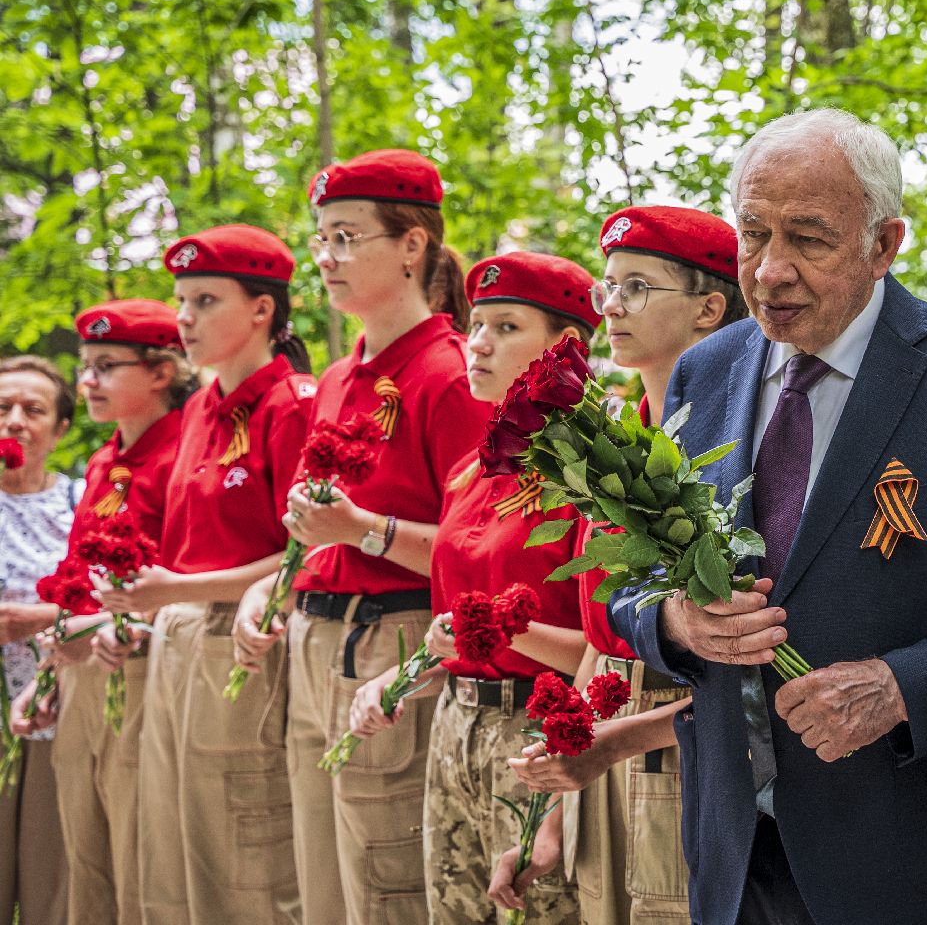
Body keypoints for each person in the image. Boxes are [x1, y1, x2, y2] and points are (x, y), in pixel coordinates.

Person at [608, 108, 927, 925]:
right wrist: (674, 620)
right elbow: (634, 577)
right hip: (734, 855)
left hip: (910, 861)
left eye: (808, 239)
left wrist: (901, 688)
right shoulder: (701, 375)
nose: (770, 270)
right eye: (752, 235)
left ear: (884, 244)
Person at [231, 149, 489, 924]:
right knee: (320, 879)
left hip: (391, 640)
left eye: (346, 236)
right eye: (320, 238)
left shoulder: (450, 374)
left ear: (412, 245)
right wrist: (263, 591)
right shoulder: (343, 376)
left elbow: (480, 545)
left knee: (388, 882)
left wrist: (365, 532)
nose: (326, 258)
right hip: (313, 642)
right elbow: (316, 529)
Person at [492, 205, 749, 924]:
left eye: (637, 285)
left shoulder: (739, 445)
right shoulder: (616, 439)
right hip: (605, 729)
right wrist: (547, 814)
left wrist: (617, 741)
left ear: (709, 306)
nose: (611, 305)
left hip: (684, 742)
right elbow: (603, 637)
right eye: (608, 285)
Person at [344, 251, 598, 924]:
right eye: (476, 323)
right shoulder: (473, 469)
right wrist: (408, 674)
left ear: (564, 347)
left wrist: (509, 632)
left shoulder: (596, 474)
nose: (476, 343)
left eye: (506, 327)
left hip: (539, 738)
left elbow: (607, 660)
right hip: (455, 727)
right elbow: (458, 625)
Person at [92, 226, 315, 924]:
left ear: (262, 310)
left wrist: (171, 592)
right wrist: (139, 610)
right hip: (177, 642)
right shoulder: (198, 411)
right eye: (181, 300)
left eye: (206, 299)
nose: (184, 317)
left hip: (244, 645)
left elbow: (307, 553)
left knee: (243, 864)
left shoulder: (293, 403)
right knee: (171, 857)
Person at [11, 300, 192, 925]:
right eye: (86, 366)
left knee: (142, 864)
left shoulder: (185, 458)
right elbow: (78, 586)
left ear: (161, 371)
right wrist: (46, 674)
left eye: (105, 366)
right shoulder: (103, 460)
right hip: (79, 676)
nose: (87, 382)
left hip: (145, 677)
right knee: (84, 870)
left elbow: (183, 583)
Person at [0, 355, 79, 924]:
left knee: (53, 872)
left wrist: (45, 615)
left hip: (57, 708)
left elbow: (114, 596)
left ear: (60, 429)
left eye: (33, 409)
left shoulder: (79, 502)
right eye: (2, 409)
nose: (14, 421)